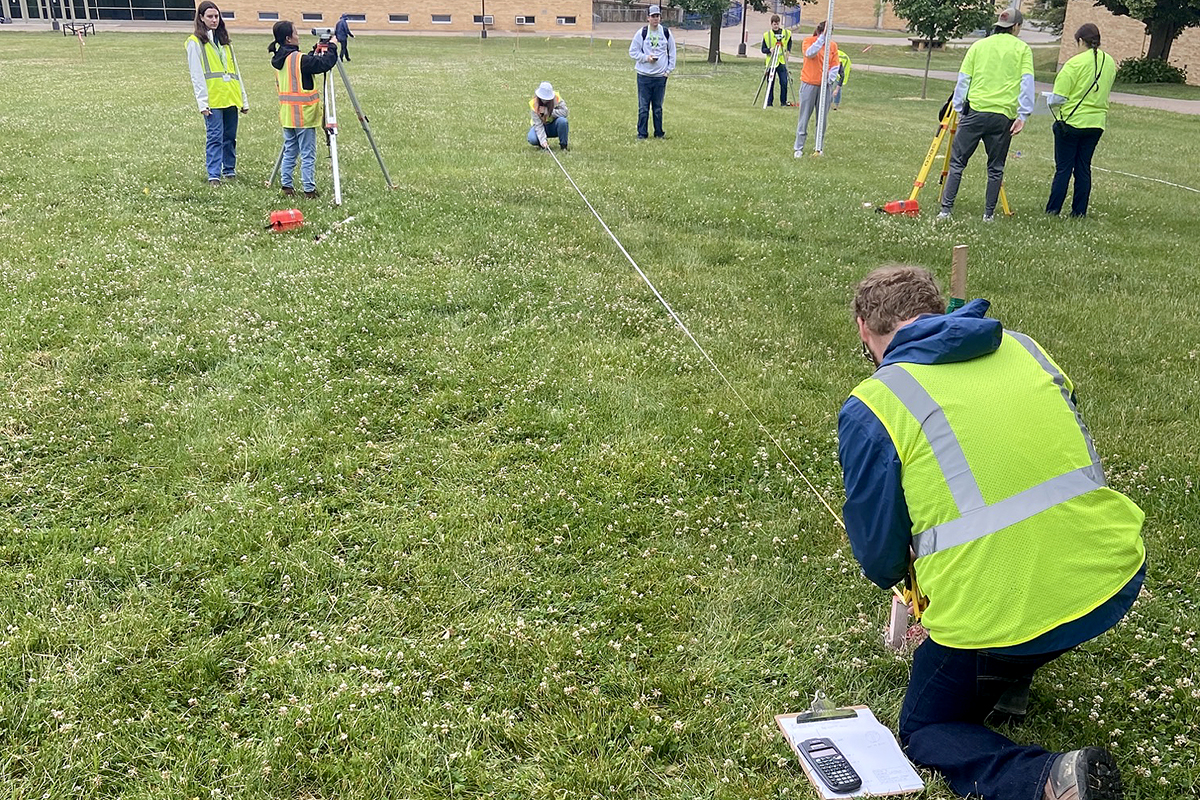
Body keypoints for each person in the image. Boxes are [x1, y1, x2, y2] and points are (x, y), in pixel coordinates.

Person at [839, 264, 1146, 800]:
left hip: (1002, 614)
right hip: (1111, 575)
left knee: (924, 728)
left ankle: (1047, 780)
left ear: (865, 329)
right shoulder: (1025, 348)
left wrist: (908, 586)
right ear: (938, 310)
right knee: (1015, 603)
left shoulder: (875, 404)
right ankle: (1011, 678)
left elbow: (879, 553)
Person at [938, 8, 1034, 220]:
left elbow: (964, 79)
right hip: (1003, 116)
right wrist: (1023, 115)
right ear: (1016, 27)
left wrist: (959, 108)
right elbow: (1027, 83)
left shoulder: (978, 46)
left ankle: (946, 210)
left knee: (957, 164)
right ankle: (988, 215)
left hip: (975, 111)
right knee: (995, 168)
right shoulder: (1022, 49)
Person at [1045, 24, 1115, 217]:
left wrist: (1048, 99)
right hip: (1096, 123)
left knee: (1064, 169)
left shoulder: (1074, 63)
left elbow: (1059, 98)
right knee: (1083, 168)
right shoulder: (1109, 62)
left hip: (1071, 122)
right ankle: (1079, 211)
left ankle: (1053, 209)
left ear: (1080, 41)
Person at [268, 20, 338, 199]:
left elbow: (307, 64)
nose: (298, 36)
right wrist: (332, 48)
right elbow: (323, 64)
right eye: (296, 33)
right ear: (288, 38)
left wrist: (317, 48)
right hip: (303, 115)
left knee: (290, 150)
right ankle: (309, 190)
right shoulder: (299, 59)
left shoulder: (280, 58)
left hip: (287, 115)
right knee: (308, 154)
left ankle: (287, 186)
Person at [185, 1, 248, 186]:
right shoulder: (195, 42)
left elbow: (236, 72)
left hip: (230, 97)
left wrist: (243, 100)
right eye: (210, 16)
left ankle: (229, 170)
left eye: (216, 16)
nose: (214, 20)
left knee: (230, 138)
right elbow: (196, 75)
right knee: (215, 137)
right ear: (201, 18)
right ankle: (214, 175)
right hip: (213, 99)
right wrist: (202, 103)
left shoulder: (225, 42)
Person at [793, 21, 839, 158]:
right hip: (809, 83)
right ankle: (798, 148)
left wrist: (829, 79)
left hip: (825, 86)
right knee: (804, 116)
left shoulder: (833, 46)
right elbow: (810, 53)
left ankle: (819, 147)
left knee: (822, 119)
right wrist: (821, 39)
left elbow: (835, 65)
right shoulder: (808, 41)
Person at [629, 4, 675, 140]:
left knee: (658, 107)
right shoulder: (642, 33)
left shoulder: (666, 32)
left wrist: (668, 70)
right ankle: (642, 134)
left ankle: (659, 133)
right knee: (643, 107)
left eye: (658, 16)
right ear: (648, 18)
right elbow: (633, 51)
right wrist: (645, 58)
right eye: (653, 16)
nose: (655, 19)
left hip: (660, 77)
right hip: (644, 76)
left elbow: (672, 52)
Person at [760, 14, 793, 107]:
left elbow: (789, 41)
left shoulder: (786, 33)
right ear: (771, 24)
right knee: (770, 83)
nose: (776, 26)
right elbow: (763, 49)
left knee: (784, 82)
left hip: (782, 62)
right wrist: (769, 50)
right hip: (771, 62)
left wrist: (788, 52)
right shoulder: (767, 35)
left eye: (777, 24)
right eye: (774, 24)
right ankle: (769, 102)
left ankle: (783, 102)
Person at [527, 81, 569, 151]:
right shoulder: (534, 104)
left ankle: (563, 145)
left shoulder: (557, 98)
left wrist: (549, 112)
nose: (545, 100)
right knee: (532, 138)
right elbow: (538, 125)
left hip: (554, 126)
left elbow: (565, 112)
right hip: (541, 127)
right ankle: (542, 145)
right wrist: (543, 141)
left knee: (563, 121)